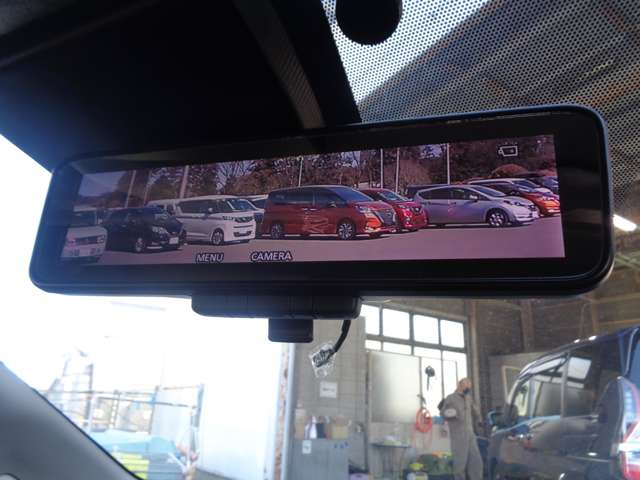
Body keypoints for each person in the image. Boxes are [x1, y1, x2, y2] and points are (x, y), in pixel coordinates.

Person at [440, 378, 483, 480]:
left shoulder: (468, 398)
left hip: (470, 434)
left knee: (476, 461)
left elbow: (475, 409)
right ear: (459, 385)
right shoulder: (450, 398)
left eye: (470, 384)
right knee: (460, 463)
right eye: (466, 384)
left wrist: (479, 419)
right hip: (458, 435)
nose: (469, 386)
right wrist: (450, 414)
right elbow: (442, 412)